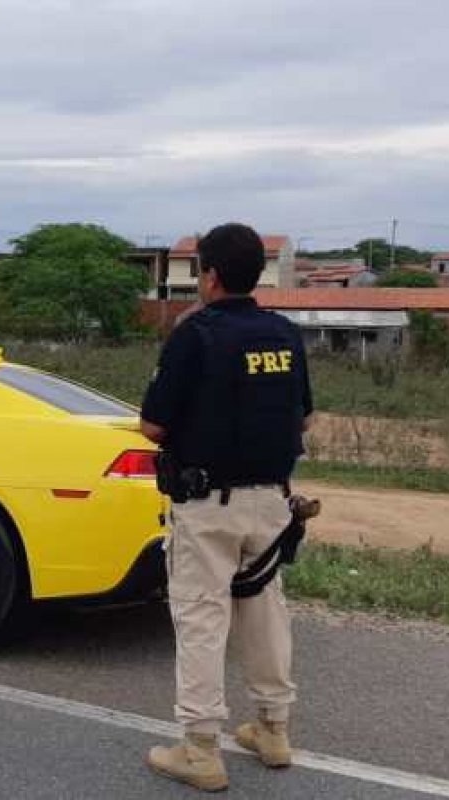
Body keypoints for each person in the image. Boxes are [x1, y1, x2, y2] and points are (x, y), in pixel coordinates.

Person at [140, 223, 313, 792]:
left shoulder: (196, 334)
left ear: (210, 275)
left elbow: (152, 425)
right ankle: (273, 729)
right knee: (265, 613)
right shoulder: (285, 334)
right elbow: (305, 418)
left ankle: (199, 749)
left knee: (201, 618)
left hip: (207, 504)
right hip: (272, 504)